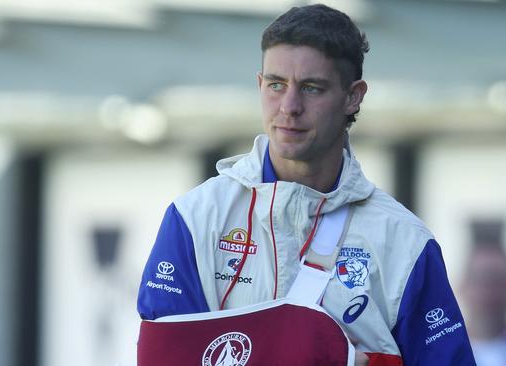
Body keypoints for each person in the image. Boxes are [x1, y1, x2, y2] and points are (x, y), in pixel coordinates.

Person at [137, 4, 475, 365]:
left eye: (312, 88)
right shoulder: (196, 218)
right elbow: (166, 357)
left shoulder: (404, 242)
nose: (289, 106)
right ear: (259, 85)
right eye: (276, 85)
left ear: (353, 96)